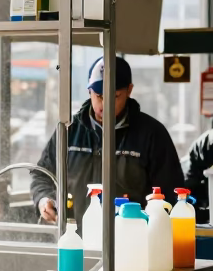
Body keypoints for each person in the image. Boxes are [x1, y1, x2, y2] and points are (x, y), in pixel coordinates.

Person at [31, 56, 184, 224]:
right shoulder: (69, 131)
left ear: (129, 90)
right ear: (89, 90)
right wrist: (44, 199)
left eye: (115, 96)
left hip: (132, 240)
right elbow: (42, 174)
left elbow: (171, 194)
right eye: (99, 96)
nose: (104, 104)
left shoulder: (152, 134)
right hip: (74, 237)